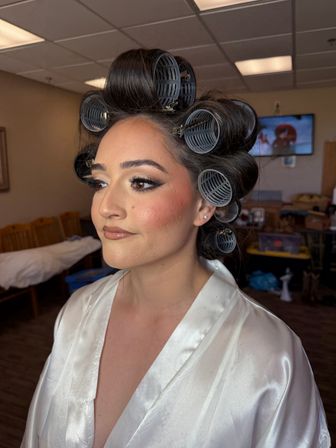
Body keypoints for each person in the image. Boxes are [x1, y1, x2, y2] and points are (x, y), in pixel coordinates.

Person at [21, 49, 330, 448]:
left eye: (142, 182)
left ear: (204, 203)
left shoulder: (267, 354)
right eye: (100, 182)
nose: (106, 207)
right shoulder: (78, 314)